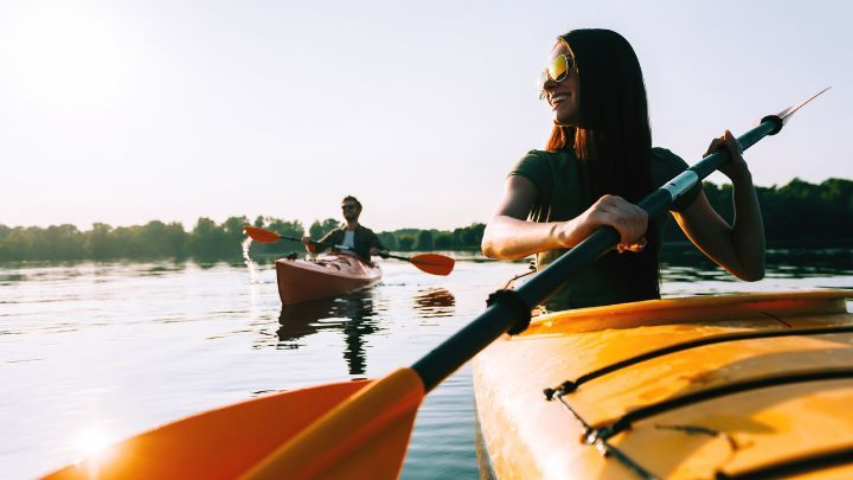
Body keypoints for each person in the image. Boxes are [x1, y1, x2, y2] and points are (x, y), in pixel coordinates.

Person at [481, 29, 765, 312]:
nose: (549, 86)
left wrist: (741, 177)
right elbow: (493, 238)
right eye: (546, 76)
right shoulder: (541, 167)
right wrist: (569, 230)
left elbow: (748, 266)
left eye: (560, 69)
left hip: (640, 331)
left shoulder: (664, 170)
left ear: (604, 75)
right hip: (558, 336)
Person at [302, 196, 389, 262]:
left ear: (359, 210)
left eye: (350, 207)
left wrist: (379, 251)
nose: (347, 209)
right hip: (337, 263)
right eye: (344, 207)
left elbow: (385, 252)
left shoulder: (367, 233)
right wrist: (308, 243)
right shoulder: (335, 234)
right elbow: (316, 249)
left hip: (358, 266)